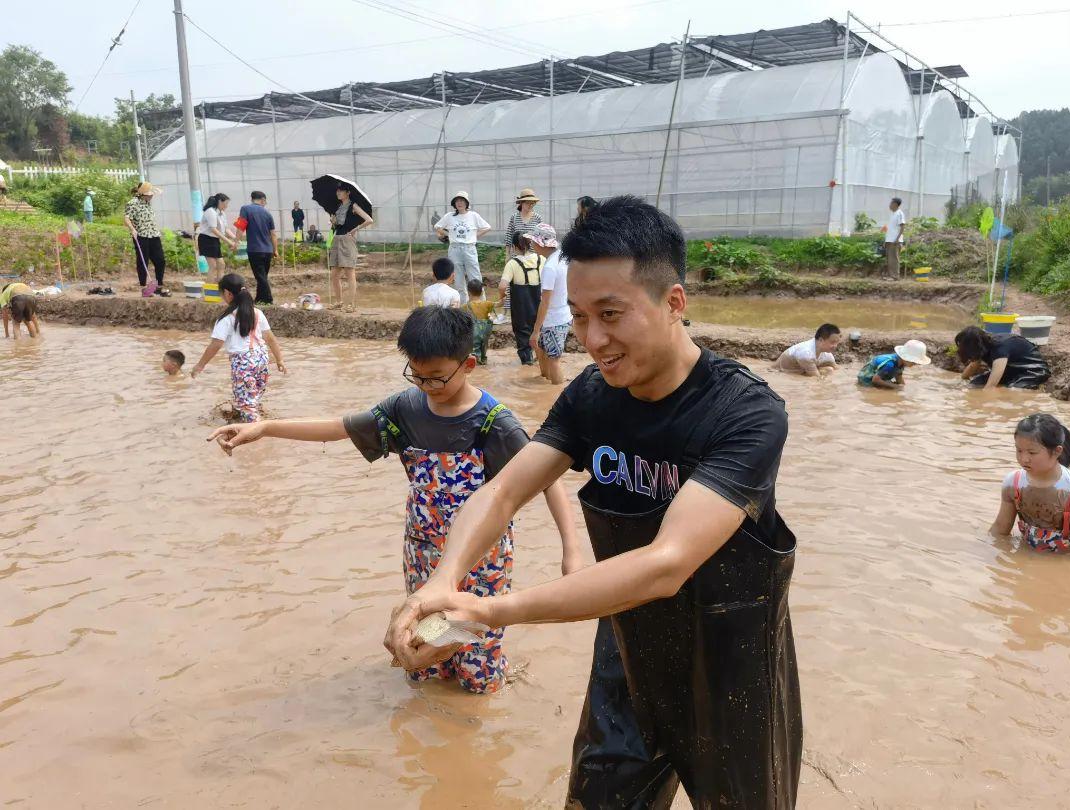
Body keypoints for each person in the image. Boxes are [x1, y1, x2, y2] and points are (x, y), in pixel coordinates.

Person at [385, 196, 801, 808]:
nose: (593, 339)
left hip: (734, 670)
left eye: (611, 314)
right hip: (628, 656)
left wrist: (487, 612)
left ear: (674, 303)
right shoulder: (591, 396)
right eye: (578, 316)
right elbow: (502, 491)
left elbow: (666, 565)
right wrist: (441, 583)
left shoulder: (744, 412)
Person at [207, 306, 583, 693]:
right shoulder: (404, 409)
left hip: (482, 560)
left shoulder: (493, 423)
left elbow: (547, 480)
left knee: (477, 665)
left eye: (437, 378)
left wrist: (570, 550)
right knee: (423, 656)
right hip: (422, 551)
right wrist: (265, 427)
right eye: (416, 375)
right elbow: (340, 427)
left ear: (468, 364)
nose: (426, 386)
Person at [190, 273, 286, 422]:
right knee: (252, 397)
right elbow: (271, 339)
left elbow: (215, 344)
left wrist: (200, 365)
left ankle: (255, 435)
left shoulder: (226, 318)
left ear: (228, 294)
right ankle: (239, 416)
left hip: (243, 364)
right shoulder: (257, 313)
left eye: (221, 294)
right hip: (262, 360)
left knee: (247, 406)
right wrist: (280, 360)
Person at [991, 414, 1070, 554]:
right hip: (1025, 558)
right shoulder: (1012, 484)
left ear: (1057, 451)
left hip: (1063, 561)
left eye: (1032, 453)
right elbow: (1000, 531)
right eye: (1019, 450)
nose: (1024, 459)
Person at [526, 224, 572, 385]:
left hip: (554, 320)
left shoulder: (550, 267)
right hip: (562, 314)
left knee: (554, 360)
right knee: (544, 353)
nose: (531, 245)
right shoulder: (562, 257)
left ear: (541, 243)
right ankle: (544, 384)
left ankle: (556, 393)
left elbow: (545, 301)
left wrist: (535, 330)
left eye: (533, 241)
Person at [435, 191, 490, 305]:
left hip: (469, 249)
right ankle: (463, 308)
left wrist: (475, 236)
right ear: (454, 204)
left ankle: (481, 306)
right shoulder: (449, 216)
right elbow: (438, 227)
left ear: (466, 203)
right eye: (457, 201)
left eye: (462, 201)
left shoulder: (473, 216)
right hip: (455, 249)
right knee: (458, 280)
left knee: (475, 277)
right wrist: (449, 235)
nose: (459, 203)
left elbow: (487, 227)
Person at [498, 231, 543, 365]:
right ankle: (542, 359)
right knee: (540, 331)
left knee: (523, 334)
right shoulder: (541, 259)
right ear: (530, 244)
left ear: (514, 246)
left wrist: (503, 296)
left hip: (521, 309)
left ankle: (527, 360)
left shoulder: (513, 263)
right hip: (541, 305)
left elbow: (502, 286)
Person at [954, 326, 1051, 389]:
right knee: (975, 383)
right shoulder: (983, 345)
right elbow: (972, 366)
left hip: (1033, 370)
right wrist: (959, 383)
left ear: (974, 347)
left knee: (1012, 390)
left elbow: (991, 386)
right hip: (1011, 370)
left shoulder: (999, 349)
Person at [329, 184, 375, 312]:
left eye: (341, 191)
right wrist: (333, 222)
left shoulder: (353, 205)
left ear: (347, 192)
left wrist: (355, 229)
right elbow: (336, 226)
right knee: (334, 274)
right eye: (337, 191)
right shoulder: (338, 207)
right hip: (336, 239)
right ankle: (339, 301)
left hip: (347, 240)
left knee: (350, 272)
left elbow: (369, 220)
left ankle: (351, 304)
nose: (338, 193)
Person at [124, 182, 168, 295]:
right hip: (141, 236)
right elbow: (127, 218)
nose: (151, 196)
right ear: (143, 194)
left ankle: (158, 285)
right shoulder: (133, 203)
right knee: (143, 261)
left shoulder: (148, 203)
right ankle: (144, 287)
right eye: (149, 194)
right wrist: (132, 229)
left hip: (153, 234)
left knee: (160, 260)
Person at [237, 191, 279, 306]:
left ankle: (269, 299)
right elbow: (273, 234)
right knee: (262, 276)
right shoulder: (268, 213)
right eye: (265, 202)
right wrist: (275, 250)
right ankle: (260, 298)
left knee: (260, 276)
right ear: (262, 200)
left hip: (255, 249)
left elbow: (241, 227)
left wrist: (236, 242)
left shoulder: (245, 209)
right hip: (268, 250)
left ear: (252, 199)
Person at [856, 339, 932, 389]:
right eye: (914, 362)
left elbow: (898, 375)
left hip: (879, 374)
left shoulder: (901, 363)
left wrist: (902, 387)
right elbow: (875, 380)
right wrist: (895, 387)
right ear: (905, 358)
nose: (915, 364)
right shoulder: (890, 365)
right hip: (867, 380)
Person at [774, 323, 842, 376]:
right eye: (832, 342)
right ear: (821, 340)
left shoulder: (827, 355)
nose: (835, 346)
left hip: (799, 370)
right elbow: (815, 378)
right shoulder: (806, 353)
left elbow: (837, 370)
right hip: (779, 372)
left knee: (829, 370)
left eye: (837, 343)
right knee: (826, 371)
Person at [197, 193, 237, 280]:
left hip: (214, 240)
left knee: (221, 264)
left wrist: (235, 238)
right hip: (206, 240)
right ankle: (209, 291)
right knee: (213, 265)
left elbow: (226, 229)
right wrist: (229, 241)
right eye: (225, 204)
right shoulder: (210, 211)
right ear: (219, 202)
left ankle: (220, 287)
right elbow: (214, 230)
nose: (226, 206)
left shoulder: (221, 213)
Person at [503, 188, 542, 263]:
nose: (530, 205)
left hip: (532, 256)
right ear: (521, 203)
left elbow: (540, 238)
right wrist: (507, 255)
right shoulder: (514, 217)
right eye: (528, 203)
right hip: (517, 256)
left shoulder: (537, 218)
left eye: (532, 203)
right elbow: (508, 237)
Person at [466, 278, 496, 365]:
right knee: (484, 348)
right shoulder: (487, 304)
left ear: (468, 292)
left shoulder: (466, 306)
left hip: (473, 333)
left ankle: (476, 361)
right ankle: (483, 360)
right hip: (485, 333)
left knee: (474, 349)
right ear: (482, 292)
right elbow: (499, 304)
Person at [884, 197, 905, 277]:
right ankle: (891, 275)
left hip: (895, 241)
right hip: (889, 240)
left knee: (894, 259)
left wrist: (897, 239)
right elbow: (891, 229)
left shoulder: (899, 213)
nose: (889, 205)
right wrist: (886, 240)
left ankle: (895, 276)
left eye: (891, 203)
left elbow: (902, 226)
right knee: (889, 259)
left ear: (895, 204)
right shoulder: (893, 214)